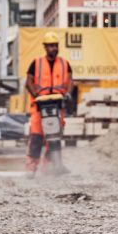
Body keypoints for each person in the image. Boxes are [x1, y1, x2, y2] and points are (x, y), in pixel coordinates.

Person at [24, 31, 73, 175]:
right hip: (40, 107)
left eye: (55, 45)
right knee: (37, 137)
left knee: (54, 137)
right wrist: (36, 95)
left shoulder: (64, 64)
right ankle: (31, 167)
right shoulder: (36, 63)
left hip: (58, 105)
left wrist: (68, 94)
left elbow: (70, 81)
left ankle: (51, 167)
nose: (54, 48)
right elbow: (29, 81)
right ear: (45, 47)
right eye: (51, 46)